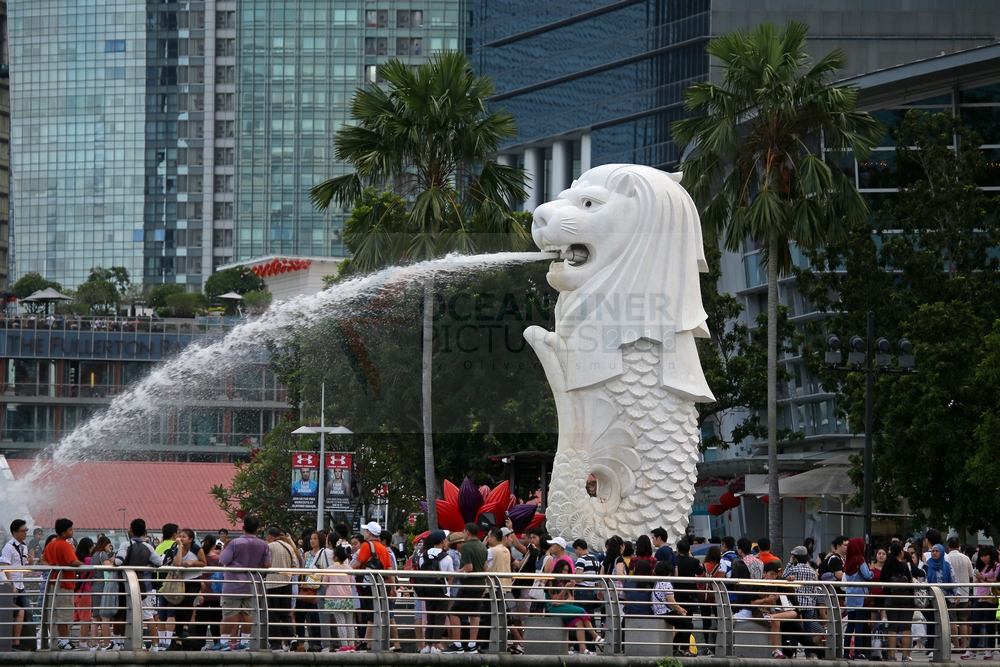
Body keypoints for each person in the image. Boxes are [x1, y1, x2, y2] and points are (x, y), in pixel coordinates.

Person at [211, 516, 271, 652]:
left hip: (233, 584)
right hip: (253, 584)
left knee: (229, 614)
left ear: (243, 527)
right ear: (257, 529)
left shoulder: (235, 543)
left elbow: (224, 559)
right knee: (248, 613)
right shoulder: (263, 544)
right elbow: (267, 564)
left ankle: (224, 642)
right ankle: (244, 641)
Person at [114, 518, 164, 647]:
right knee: (148, 616)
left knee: (125, 613)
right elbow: (159, 562)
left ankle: (123, 643)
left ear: (131, 531)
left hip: (125, 586)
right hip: (142, 585)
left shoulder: (125, 545)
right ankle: (155, 645)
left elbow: (118, 561)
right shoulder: (148, 546)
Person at [350, 522, 395, 652]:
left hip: (367, 586)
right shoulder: (383, 548)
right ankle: (368, 642)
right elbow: (389, 569)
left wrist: (344, 569)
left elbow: (358, 563)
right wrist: (392, 588)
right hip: (380, 586)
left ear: (369, 533)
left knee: (370, 615)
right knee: (373, 614)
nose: (364, 533)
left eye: (366, 531)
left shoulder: (366, 545)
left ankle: (369, 643)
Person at [445, 523, 488, 654]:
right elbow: (486, 568)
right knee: (474, 613)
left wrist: (456, 574)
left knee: (454, 612)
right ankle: (472, 644)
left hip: (469, 585)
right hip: (480, 584)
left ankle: (457, 644)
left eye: (464, 532)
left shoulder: (466, 547)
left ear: (468, 533)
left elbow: (468, 568)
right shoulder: (482, 546)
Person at [42, 518, 84, 650]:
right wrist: (83, 564)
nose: (73, 531)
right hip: (65, 583)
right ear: (64, 533)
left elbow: (43, 559)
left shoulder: (52, 544)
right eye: (71, 529)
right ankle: (64, 641)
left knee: (55, 612)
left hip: (54, 582)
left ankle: (57, 639)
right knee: (64, 614)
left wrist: (53, 568)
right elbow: (73, 562)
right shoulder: (65, 545)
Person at [547, 558, 603, 654]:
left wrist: (561, 602)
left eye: (567, 570)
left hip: (562, 607)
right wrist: (565, 589)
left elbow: (571, 599)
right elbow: (554, 600)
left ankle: (582, 648)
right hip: (553, 609)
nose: (565, 572)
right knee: (582, 611)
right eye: (563, 570)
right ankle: (595, 636)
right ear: (558, 569)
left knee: (579, 621)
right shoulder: (551, 582)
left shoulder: (567, 582)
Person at [168, 528, 205, 650]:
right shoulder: (176, 549)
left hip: (193, 580)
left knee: (189, 600)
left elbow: (203, 562)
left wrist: (193, 562)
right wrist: (179, 547)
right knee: (178, 608)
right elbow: (178, 563)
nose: (181, 538)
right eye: (180, 536)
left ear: (191, 539)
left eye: (184, 536)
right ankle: (178, 641)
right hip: (180, 582)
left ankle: (185, 627)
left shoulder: (196, 548)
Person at [416, 530, 451, 654]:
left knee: (430, 618)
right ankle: (436, 645)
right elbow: (450, 577)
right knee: (440, 618)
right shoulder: (447, 557)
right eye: (446, 539)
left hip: (427, 591)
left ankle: (427, 645)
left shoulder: (423, 556)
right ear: (442, 541)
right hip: (442, 592)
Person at [264, 524, 299, 651]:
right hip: (287, 583)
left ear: (270, 536)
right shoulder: (289, 546)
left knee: (273, 614)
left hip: (272, 583)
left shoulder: (269, 546)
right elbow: (295, 567)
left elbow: (264, 564)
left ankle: (275, 643)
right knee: (285, 613)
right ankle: (291, 636)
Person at [1, 519, 34, 650]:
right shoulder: (9, 547)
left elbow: (23, 568)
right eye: (23, 531)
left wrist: (30, 563)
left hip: (21, 586)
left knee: (28, 612)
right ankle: (13, 642)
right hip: (13, 587)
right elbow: (5, 567)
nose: (25, 533)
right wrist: (11, 584)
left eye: (26, 530)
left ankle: (26, 641)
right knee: (12, 613)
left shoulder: (23, 547)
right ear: (15, 532)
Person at [652, 560, 695, 656]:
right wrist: (680, 609)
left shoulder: (657, 582)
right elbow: (671, 601)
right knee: (688, 625)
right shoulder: (666, 583)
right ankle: (684, 650)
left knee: (683, 625)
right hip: (665, 611)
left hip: (658, 611)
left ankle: (675, 649)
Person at [881, 542, 914, 662]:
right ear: (901, 552)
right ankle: (905, 654)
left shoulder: (886, 566)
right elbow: (910, 582)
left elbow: (882, 583)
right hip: (906, 600)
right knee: (906, 627)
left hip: (891, 599)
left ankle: (892, 655)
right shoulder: (905, 566)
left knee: (892, 627)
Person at [844, 537, 874, 659]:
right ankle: (858, 652)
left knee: (850, 626)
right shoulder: (859, 559)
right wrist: (871, 571)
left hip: (850, 596)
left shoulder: (848, 560)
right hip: (860, 596)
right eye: (863, 545)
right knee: (859, 625)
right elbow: (867, 574)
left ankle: (846, 653)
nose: (865, 548)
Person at [323, 545, 357, 652]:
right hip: (348, 598)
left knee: (340, 622)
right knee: (350, 623)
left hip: (334, 599)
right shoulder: (349, 568)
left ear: (336, 557)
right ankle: (352, 646)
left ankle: (344, 646)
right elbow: (352, 584)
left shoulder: (330, 569)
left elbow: (324, 583)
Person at [946, 537, 974, 659]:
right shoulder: (966, 558)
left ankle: (956, 645)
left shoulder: (947, 558)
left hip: (951, 593)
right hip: (964, 592)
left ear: (948, 546)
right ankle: (964, 646)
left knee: (953, 620)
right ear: (959, 545)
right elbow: (970, 574)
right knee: (963, 620)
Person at [154, 523, 179, 651]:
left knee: (161, 615)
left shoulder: (158, 548)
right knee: (171, 614)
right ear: (175, 534)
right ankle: (169, 642)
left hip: (160, 586)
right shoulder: (176, 546)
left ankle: (161, 641)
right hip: (173, 585)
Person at [196, 538, 224, 649]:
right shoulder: (218, 559)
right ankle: (217, 641)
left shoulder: (199, 558)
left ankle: (200, 643)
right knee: (216, 619)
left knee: (200, 620)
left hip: (201, 591)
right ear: (214, 545)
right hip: (215, 591)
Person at [971, 545, 998, 659]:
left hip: (990, 597)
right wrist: (978, 578)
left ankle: (989, 650)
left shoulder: (996, 566)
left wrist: (984, 578)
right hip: (979, 596)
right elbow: (978, 581)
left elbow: (996, 580)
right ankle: (972, 650)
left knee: (989, 625)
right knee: (975, 624)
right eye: (981, 556)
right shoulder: (981, 566)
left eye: (986, 555)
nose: (984, 558)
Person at [90, 536, 115, 651]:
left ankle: (94, 643)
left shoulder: (94, 555)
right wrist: (112, 561)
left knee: (96, 617)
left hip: (95, 586)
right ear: (105, 544)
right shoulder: (103, 554)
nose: (110, 548)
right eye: (109, 545)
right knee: (105, 616)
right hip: (103, 587)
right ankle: (106, 642)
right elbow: (109, 568)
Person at [73, 538, 95, 649]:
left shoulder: (76, 559)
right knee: (85, 620)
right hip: (84, 591)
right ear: (89, 547)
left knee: (73, 619)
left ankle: (63, 640)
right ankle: (83, 642)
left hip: (75, 591)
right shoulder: (89, 560)